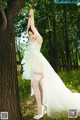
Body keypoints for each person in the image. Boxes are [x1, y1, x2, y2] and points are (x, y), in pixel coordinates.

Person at [21, 8, 80, 120]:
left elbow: (32, 27)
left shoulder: (39, 39)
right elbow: (28, 27)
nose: (30, 36)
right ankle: (42, 108)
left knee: (35, 85)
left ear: (35, 33)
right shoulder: (31, 41)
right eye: (29, 34)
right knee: (40, 88)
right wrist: (29, 17)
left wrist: (32, 15)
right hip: (35, 67)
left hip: (40, 67)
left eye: (32, 34)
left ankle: (39, 112)